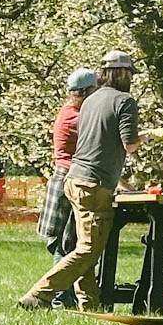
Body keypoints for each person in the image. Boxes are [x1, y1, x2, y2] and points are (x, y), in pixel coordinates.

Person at [19, 52, 147, 310]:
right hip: (95, 185)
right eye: (129, 74)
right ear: (121, 74)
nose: (131, 79)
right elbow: (130, 145)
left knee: (84, 247)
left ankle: (90, 306)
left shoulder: (90, 100)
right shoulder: (125, 101)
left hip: (74, 179)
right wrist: (151, 135)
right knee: (88, 249)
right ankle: (39, 294)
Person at [35, 68, 99, 259]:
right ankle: (62, 290)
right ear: (86, 92)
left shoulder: (71, 111)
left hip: (69, 177)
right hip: (69, 178)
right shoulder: (76, 118)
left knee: (69, 241)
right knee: (65, 243)